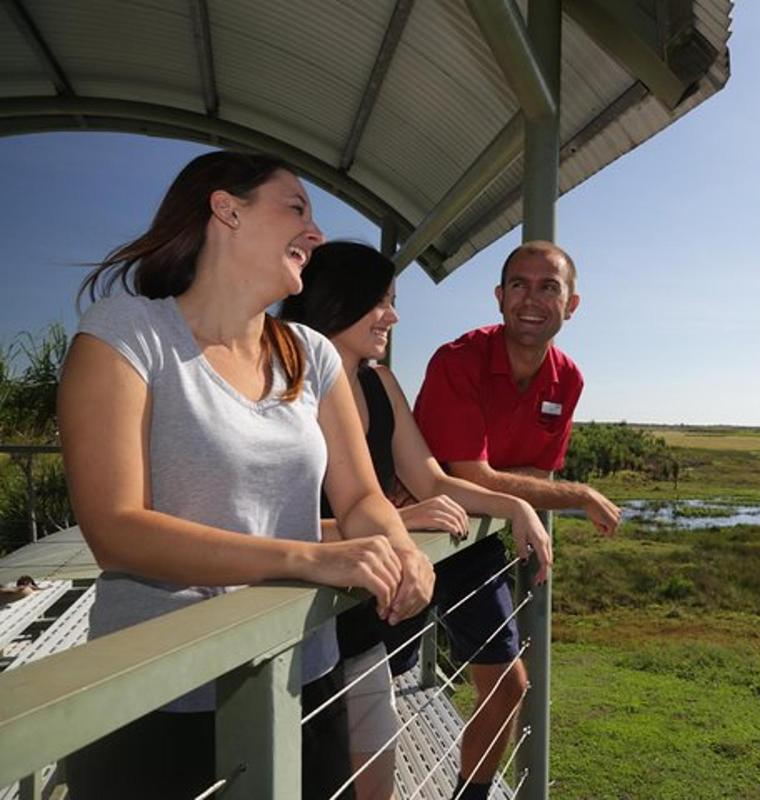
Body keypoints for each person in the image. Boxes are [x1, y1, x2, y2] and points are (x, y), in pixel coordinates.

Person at [58, 151, 434, 799]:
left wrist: (402, 551)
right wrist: (310, 559)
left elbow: (362, 496)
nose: (316, 234)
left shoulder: (311, 354)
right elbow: (116, 531)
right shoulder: (127, 334)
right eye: (297, 208)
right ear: (225, 210)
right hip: (157, 695)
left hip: (300, 678)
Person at [280, 241, 552, 800]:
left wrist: (516, 506)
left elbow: (432, 479)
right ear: (336, 300)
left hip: (358, 633)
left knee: (376, 787)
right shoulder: (283, 385)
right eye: (380, 301)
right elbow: (265, 527)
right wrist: (401, 522)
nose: (394, 316)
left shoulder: (380, 384)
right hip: (292, 631)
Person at [412, 240, 621, 799]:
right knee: (375, 679)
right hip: (412, 534)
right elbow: (471, 473)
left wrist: (505, 483)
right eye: (520, 285)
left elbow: (530, 476)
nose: (533, 298)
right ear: (500, 297)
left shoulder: (566, 379)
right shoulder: (457, 360)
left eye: (549, 286)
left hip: (476, 538)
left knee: (508, 685)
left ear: (571, 304)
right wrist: (579, 492)